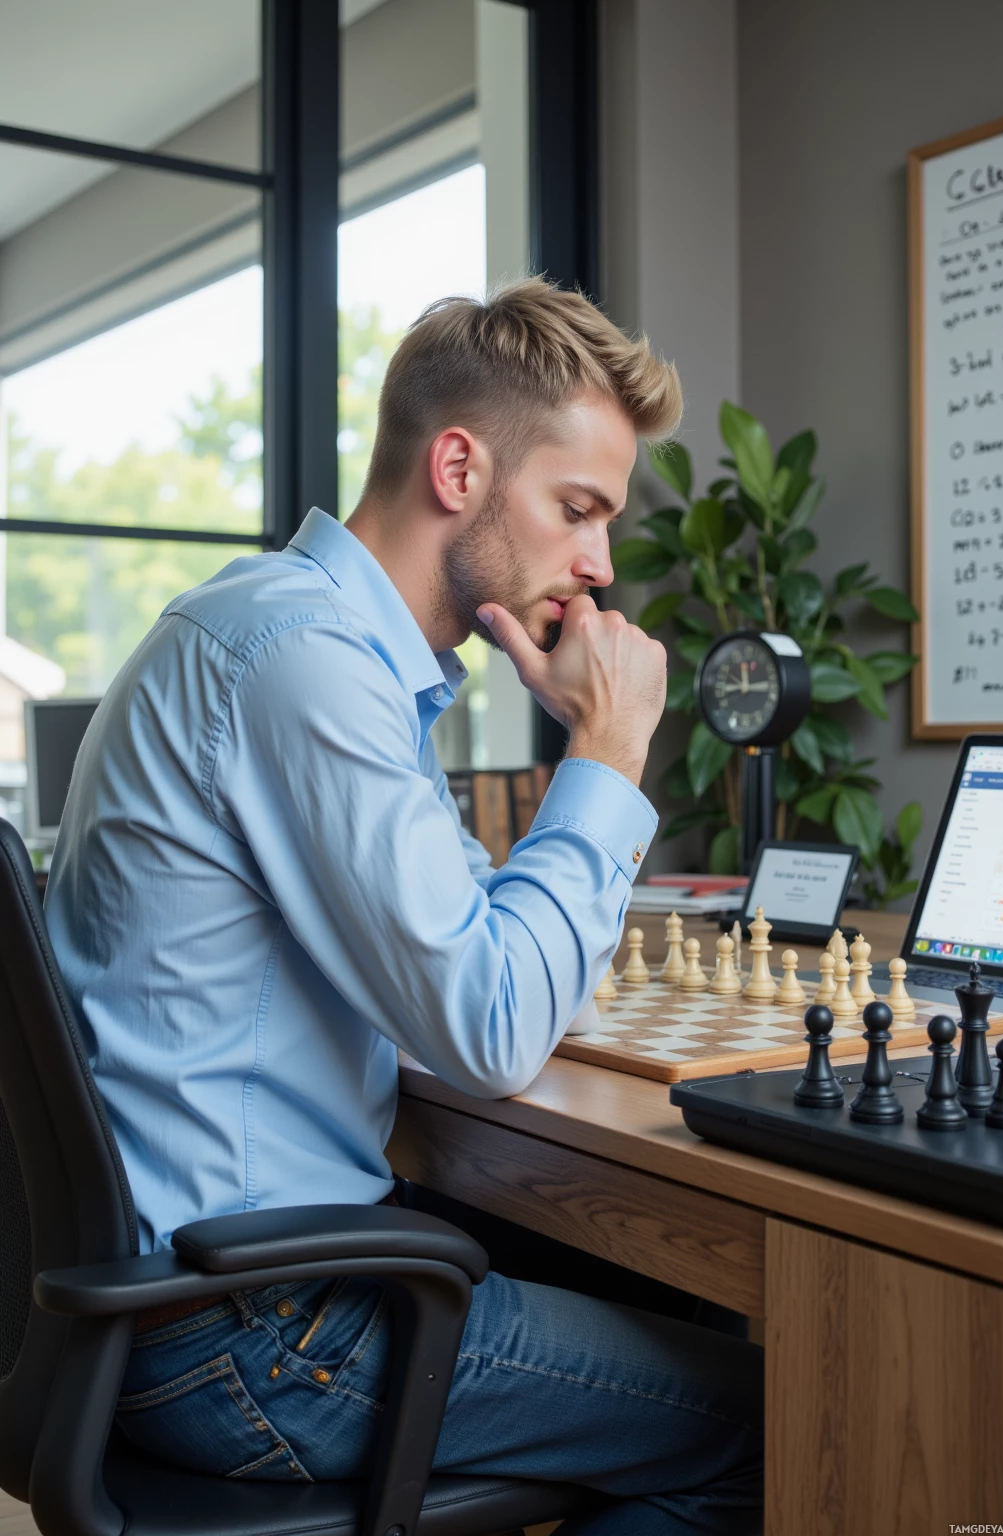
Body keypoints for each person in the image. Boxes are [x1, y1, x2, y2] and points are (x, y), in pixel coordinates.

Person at [46, 279, 763, 1533]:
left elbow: (454, 945)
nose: (599, 564)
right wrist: (605, 755)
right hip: (251, 1333)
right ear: (456, 466)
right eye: (578, 508)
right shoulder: (303, 665)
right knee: (777, 1411)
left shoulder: (298, 641)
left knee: (690, 1302)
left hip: (183, 1290)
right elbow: (488, 1027)